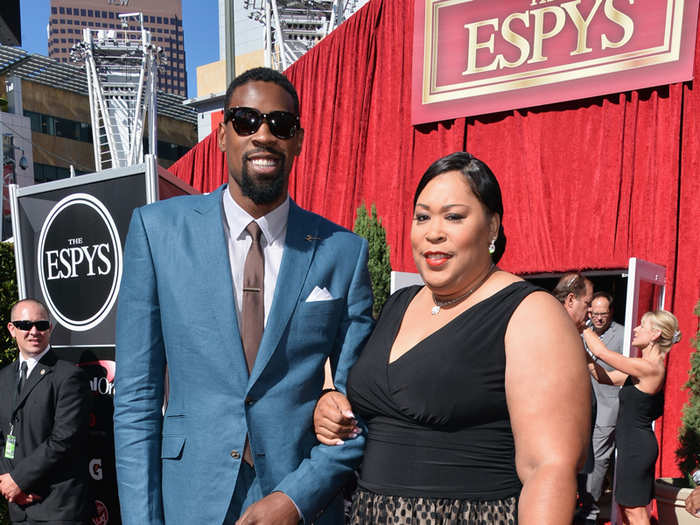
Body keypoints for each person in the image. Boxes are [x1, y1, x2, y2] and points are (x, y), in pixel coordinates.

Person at [113, 67, 374, 525]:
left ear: (298, 140)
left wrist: (297, 498)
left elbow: (361, 403)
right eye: (247, 120)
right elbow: (137, 397)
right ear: (221, 135)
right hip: (190, 498)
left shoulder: (343, 252)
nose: (264, 134)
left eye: (281, 124)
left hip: (301, 499)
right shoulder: (158, 232)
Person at [314, 152, 590, 524]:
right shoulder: (399, 304)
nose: (433, 232)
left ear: (492, 227)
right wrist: (330, 406)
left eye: (454, 216)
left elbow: (548, 469)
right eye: (422, 216)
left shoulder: (531, 313)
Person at [583, 310, 681, 525]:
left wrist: (580, 326)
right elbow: (605, 377)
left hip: (637, 448)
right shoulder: (639, 370)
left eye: (642, 326)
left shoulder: (650, 368)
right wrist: (582, 352)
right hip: (631, 446)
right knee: (627, 508)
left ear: (655, 334)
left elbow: (603, 352)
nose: (635, 329)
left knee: (635, 512)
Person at [0, 298, 91, 524]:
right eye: (24, 325)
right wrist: (6, 482)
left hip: (57, 507)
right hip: (18, 507)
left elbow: (63, 440)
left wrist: (18, 480)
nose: (33, 332)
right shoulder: (3, 377)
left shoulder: (68, 377)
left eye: (41, 325)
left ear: (50, 328)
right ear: (12, 329)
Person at [581, 292, 625, 524]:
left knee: (599, 458)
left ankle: (591, 510)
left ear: (611, 313)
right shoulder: (581, 329)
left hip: (608, 405)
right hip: (582, 404)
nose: (598, 318)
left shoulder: (623, 335)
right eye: (594, 313)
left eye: (603, 314)